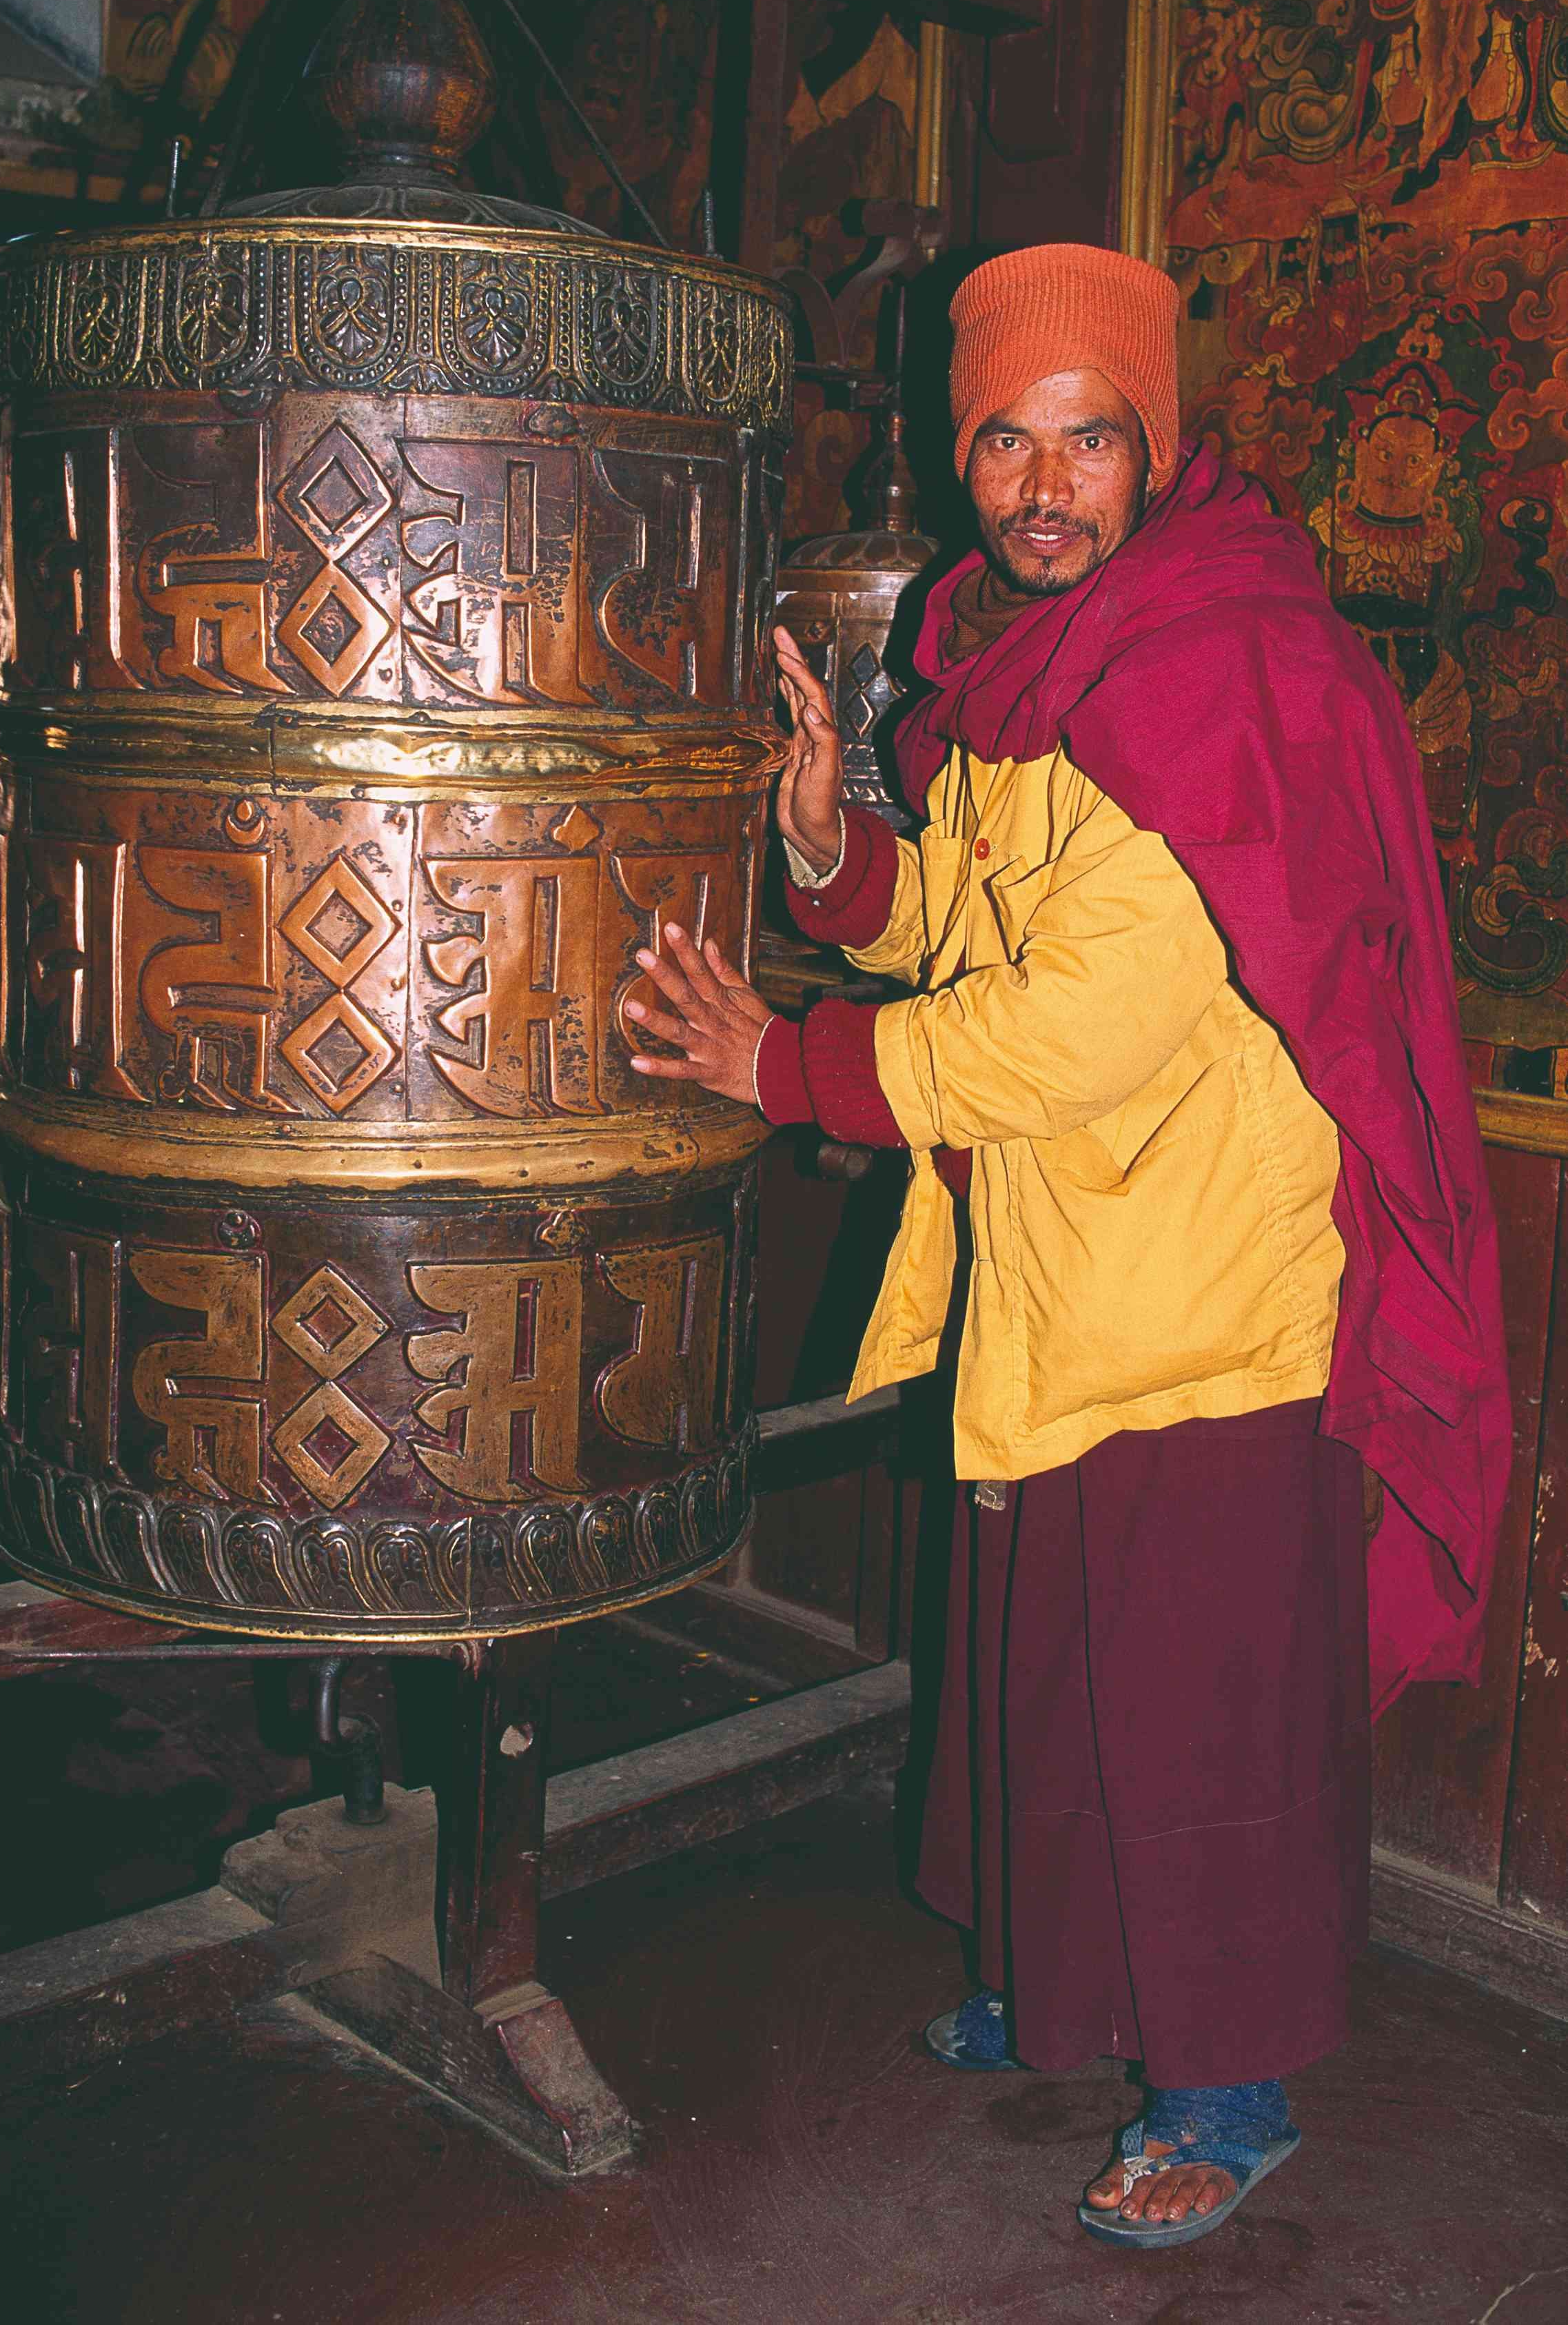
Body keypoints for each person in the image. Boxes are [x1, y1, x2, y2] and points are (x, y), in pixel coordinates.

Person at [621, 241, 1509, 2249]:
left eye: (1084, 441)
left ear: (1153, 447)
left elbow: (1066, 1019)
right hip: (1068, 1275)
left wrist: (778, 1059)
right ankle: (1060, 1989)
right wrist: (840, 843)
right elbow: (968, 923)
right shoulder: (1045, 661)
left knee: (1189, 1714)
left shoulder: (1220, 666)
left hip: (1206, 1304)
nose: (1041, 488)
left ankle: (1226, 2085)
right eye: (1004, 445)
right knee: (1052, 1681)